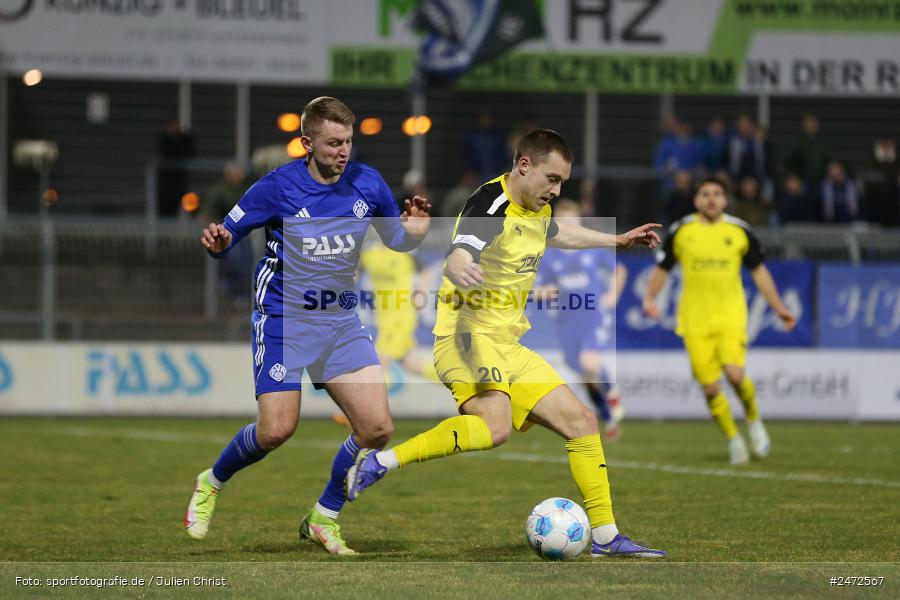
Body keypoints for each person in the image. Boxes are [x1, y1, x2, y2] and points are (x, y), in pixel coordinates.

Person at [345, 129, 666, 558]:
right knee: (495, 428)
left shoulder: (537, 209)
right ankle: (381, 462)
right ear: (524, 165)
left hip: (506, 342)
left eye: (563, 184)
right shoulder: (490, 205)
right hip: (466, 337)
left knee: (582, 422)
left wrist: (617, 240)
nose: (555, 190)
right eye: (551, 179)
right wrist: (460, 267)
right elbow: (460, 250)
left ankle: (606, 538)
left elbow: (557, 235)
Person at [186, 96, 431, 555]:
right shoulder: (276, 187)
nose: (343, 152)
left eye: (349, 142)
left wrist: (412, 231)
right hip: (284, 319)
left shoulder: (367, 183)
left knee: (377, 428)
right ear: (306, 142)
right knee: (276, 430)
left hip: (338, 320)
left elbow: (395, 240)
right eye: (334, 142)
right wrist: (217, 241)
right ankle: (212, 481)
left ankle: (324, 516)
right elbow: (227, 235)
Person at [641, 177, 796, 465]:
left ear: (725, 200)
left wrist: (779, 308)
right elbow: (663, 268)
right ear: (696, 200)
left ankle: (754, 420)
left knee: (735, 375)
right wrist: (650, 298)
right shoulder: (682, 231)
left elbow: (759, 272)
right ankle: (734, 440)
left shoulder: (739, 231)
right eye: (705, 194)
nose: (711, 199)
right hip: (694, 320)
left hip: (731, 316)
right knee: (711, 388)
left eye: (716, 194)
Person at [538, 199, 628, 441]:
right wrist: (543, 293)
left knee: (590, 364)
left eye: (572, 220)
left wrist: (612, 295)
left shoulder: (592, 248)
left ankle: (611, 392)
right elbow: (539, 288)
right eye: (563, 220)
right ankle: (607, 415)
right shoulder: (548, 255)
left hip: (593, 315)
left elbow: (620, 270)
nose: (568, 224)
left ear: (579, 222)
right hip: (566, 321)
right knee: (585, 376)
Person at [201, 161, 254, 307]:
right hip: (225, 231)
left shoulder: (247, 189)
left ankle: (243, 292)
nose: (239, 176)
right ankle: (232, 287)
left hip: (245, 231)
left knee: (248, 258)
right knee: (234, 257)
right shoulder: (220, 189)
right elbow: (208, 212)